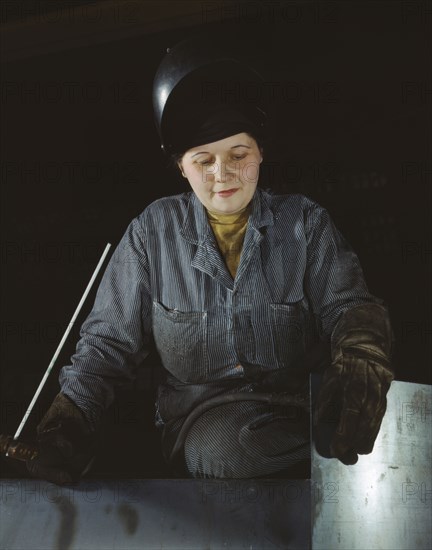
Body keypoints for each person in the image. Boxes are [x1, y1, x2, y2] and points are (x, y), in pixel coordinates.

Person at [26, 37, 394, 485]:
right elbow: (106, 347)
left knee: (373, 425)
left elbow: (349, 306)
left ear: (260, 152)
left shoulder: (305, 224)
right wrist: (69, 420)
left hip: (301, 413)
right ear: (181, 166)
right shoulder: (150, 235)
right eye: (203, 161)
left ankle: (350, 446)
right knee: (227, 448)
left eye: (238, 155)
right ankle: (348, 457)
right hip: (205, 430)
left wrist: (360, 354)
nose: (223, 175)